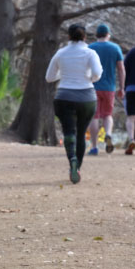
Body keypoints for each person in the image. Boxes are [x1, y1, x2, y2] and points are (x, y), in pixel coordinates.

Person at [45, 24, 103, 184]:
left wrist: (63, 74)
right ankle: (77, 167)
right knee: (81, 132)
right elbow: (98, 73)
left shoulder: (60, 53)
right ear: (85, 37)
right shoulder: (90, 53)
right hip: (87, 97)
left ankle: (72, 159)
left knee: (69, 131)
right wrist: (89, 78)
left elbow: (49, 77)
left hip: (64, 96)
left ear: (69, 36)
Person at [87, 24, 125, 155]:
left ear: (97, 34)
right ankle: (108, 134)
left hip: (93, 86)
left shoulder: (90, 48)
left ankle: (94, 146)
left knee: (94, 116)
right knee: (108, 115)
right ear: (108, 34)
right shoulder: (115, 48)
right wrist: (122, 87)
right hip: (109, 88)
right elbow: (121, 69)